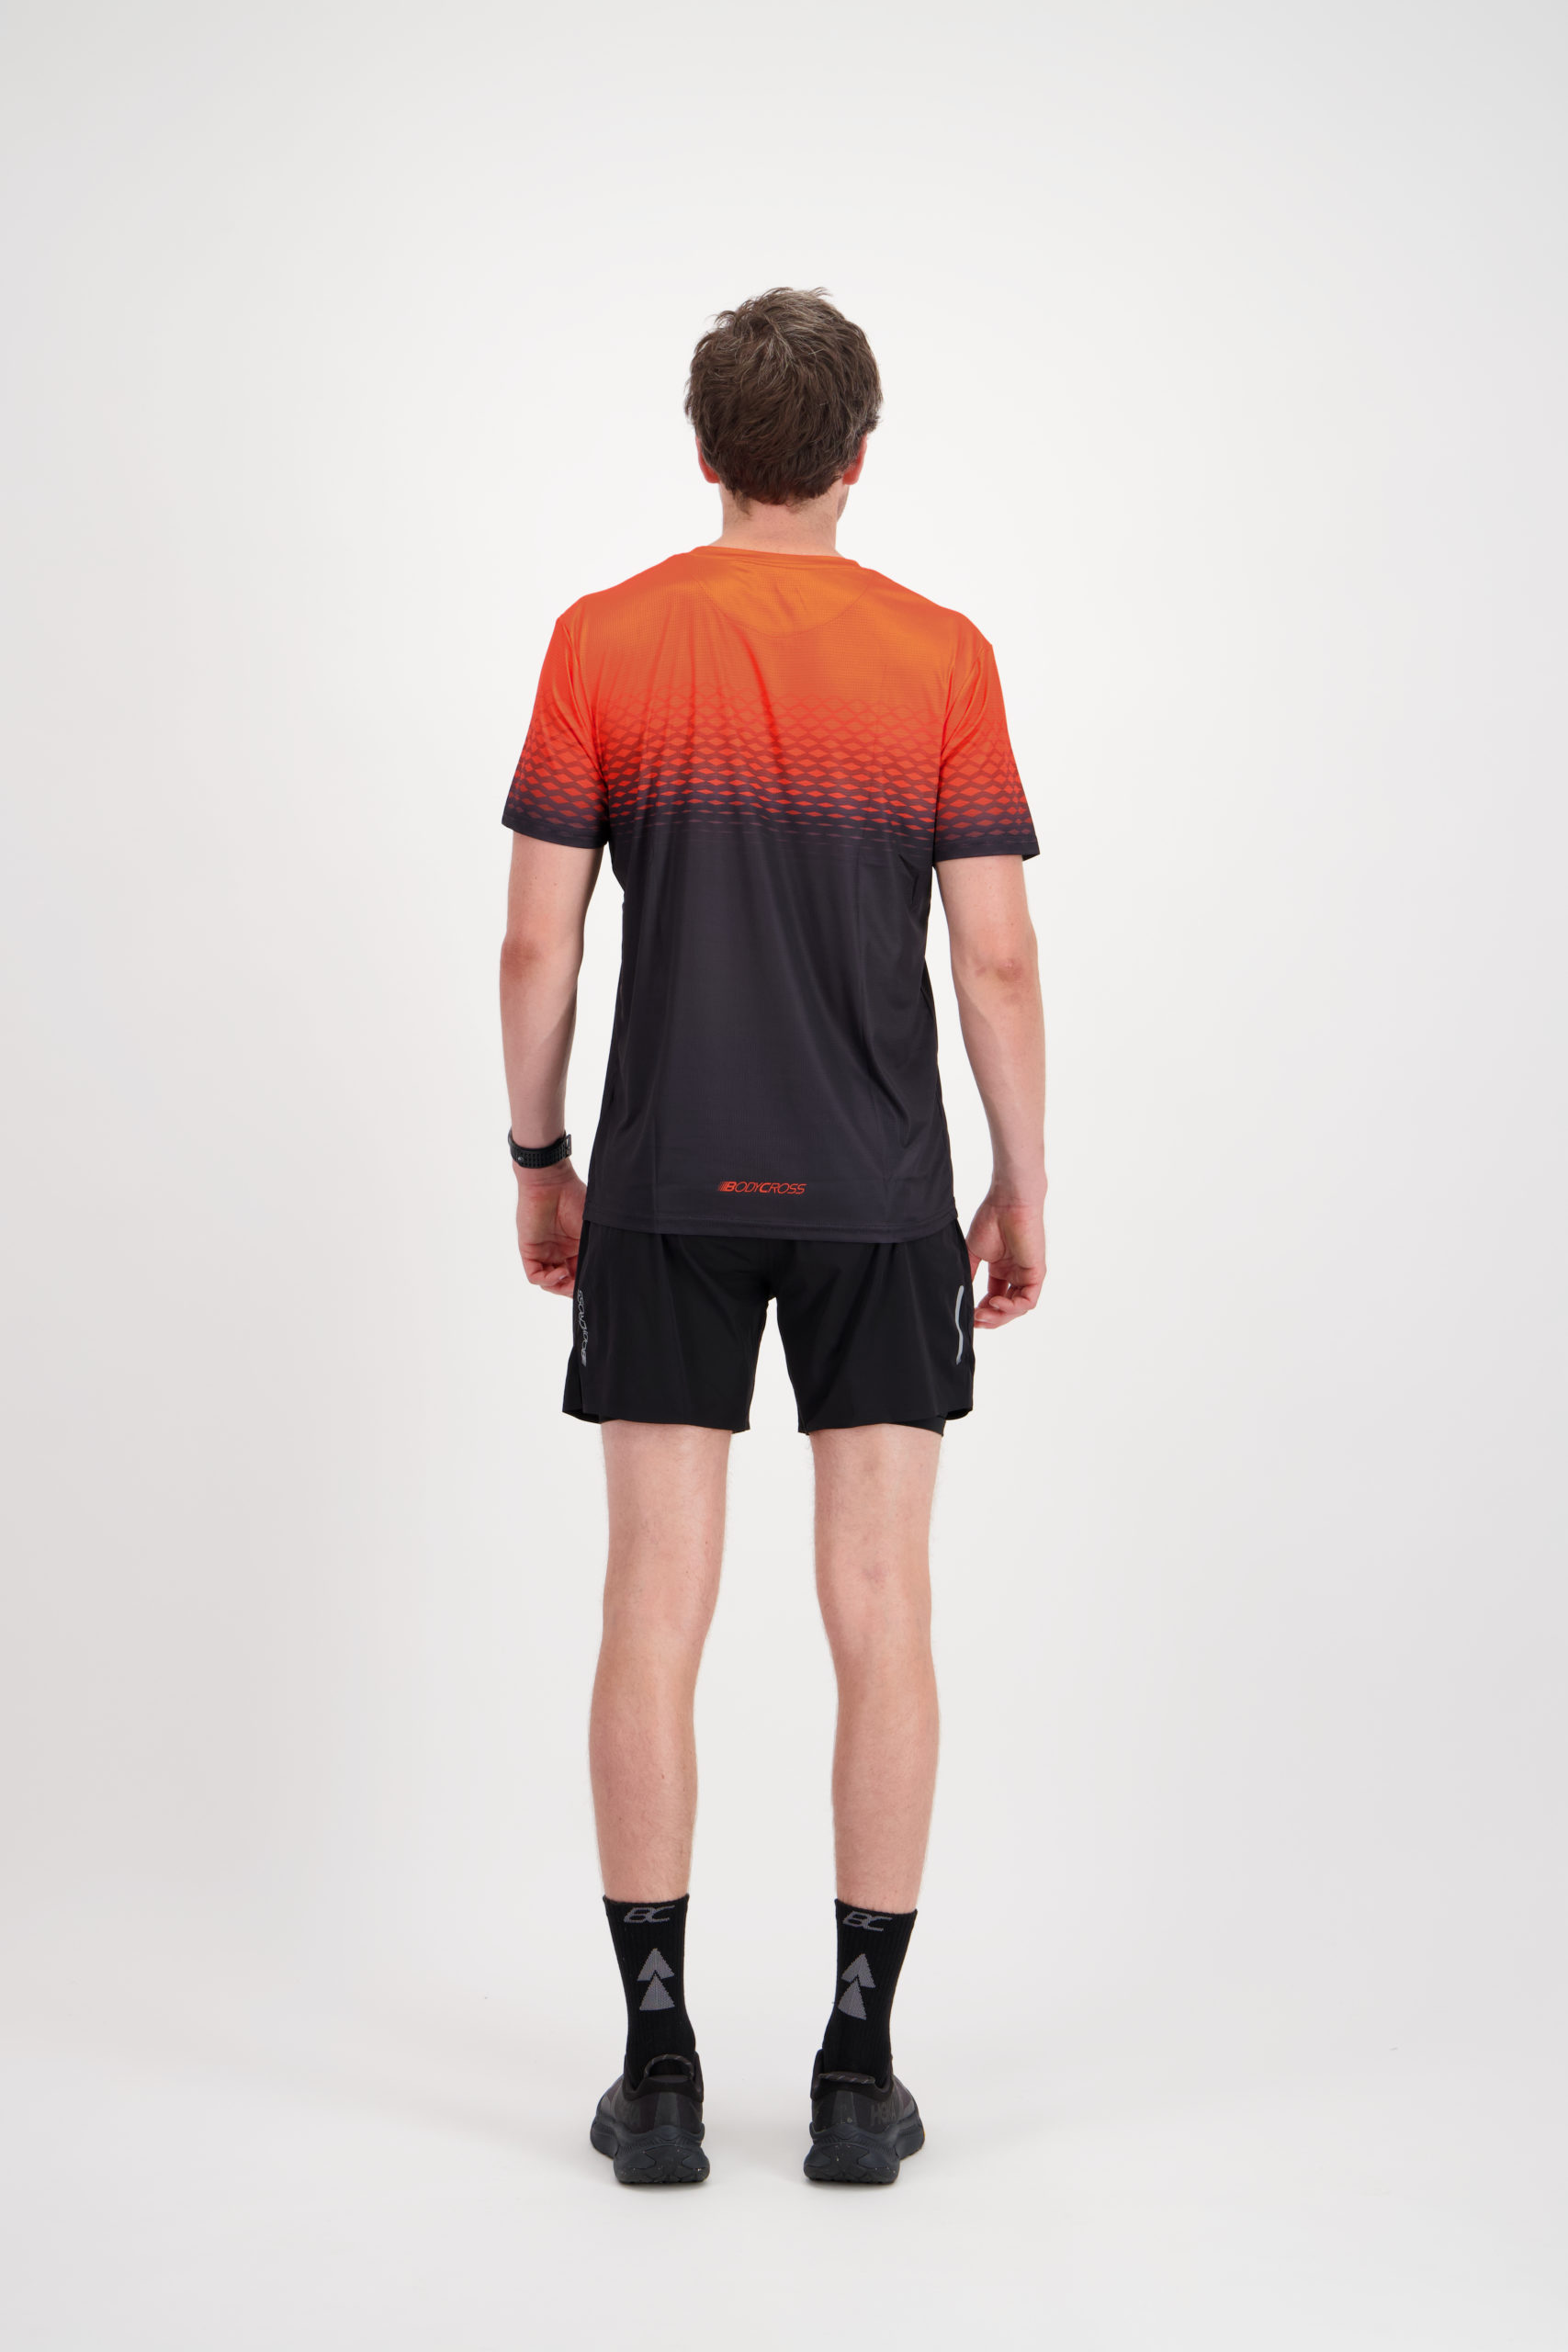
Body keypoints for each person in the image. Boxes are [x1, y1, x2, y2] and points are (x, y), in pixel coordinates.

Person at [498, 287, 1045, 2187]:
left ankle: (655, 2068)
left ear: (704, 448)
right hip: (879, 1193)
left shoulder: (603, 641)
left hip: (660, 1179)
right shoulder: (941, 659)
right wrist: (1020, 1176)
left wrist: (538, 1154)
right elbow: (992, 957)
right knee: (880, 1604)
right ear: (857, 456)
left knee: (652, 1600)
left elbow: (536, 941)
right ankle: (856, 2071)